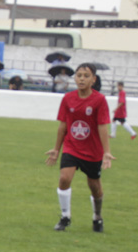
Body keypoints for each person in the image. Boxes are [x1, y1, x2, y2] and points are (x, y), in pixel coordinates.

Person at [44, 63, 114, 232]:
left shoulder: (99, 100)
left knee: (94, 186)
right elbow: (63, 126)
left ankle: (97, 217)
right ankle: (65, 217)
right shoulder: (68, 98)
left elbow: (102, 127)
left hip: (92, 151)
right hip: (72, 147)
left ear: (93, 79)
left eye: (86, 75)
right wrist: (56, 149)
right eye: (79, 75)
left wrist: (106, 152)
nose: (81, 79)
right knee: (64, 179)